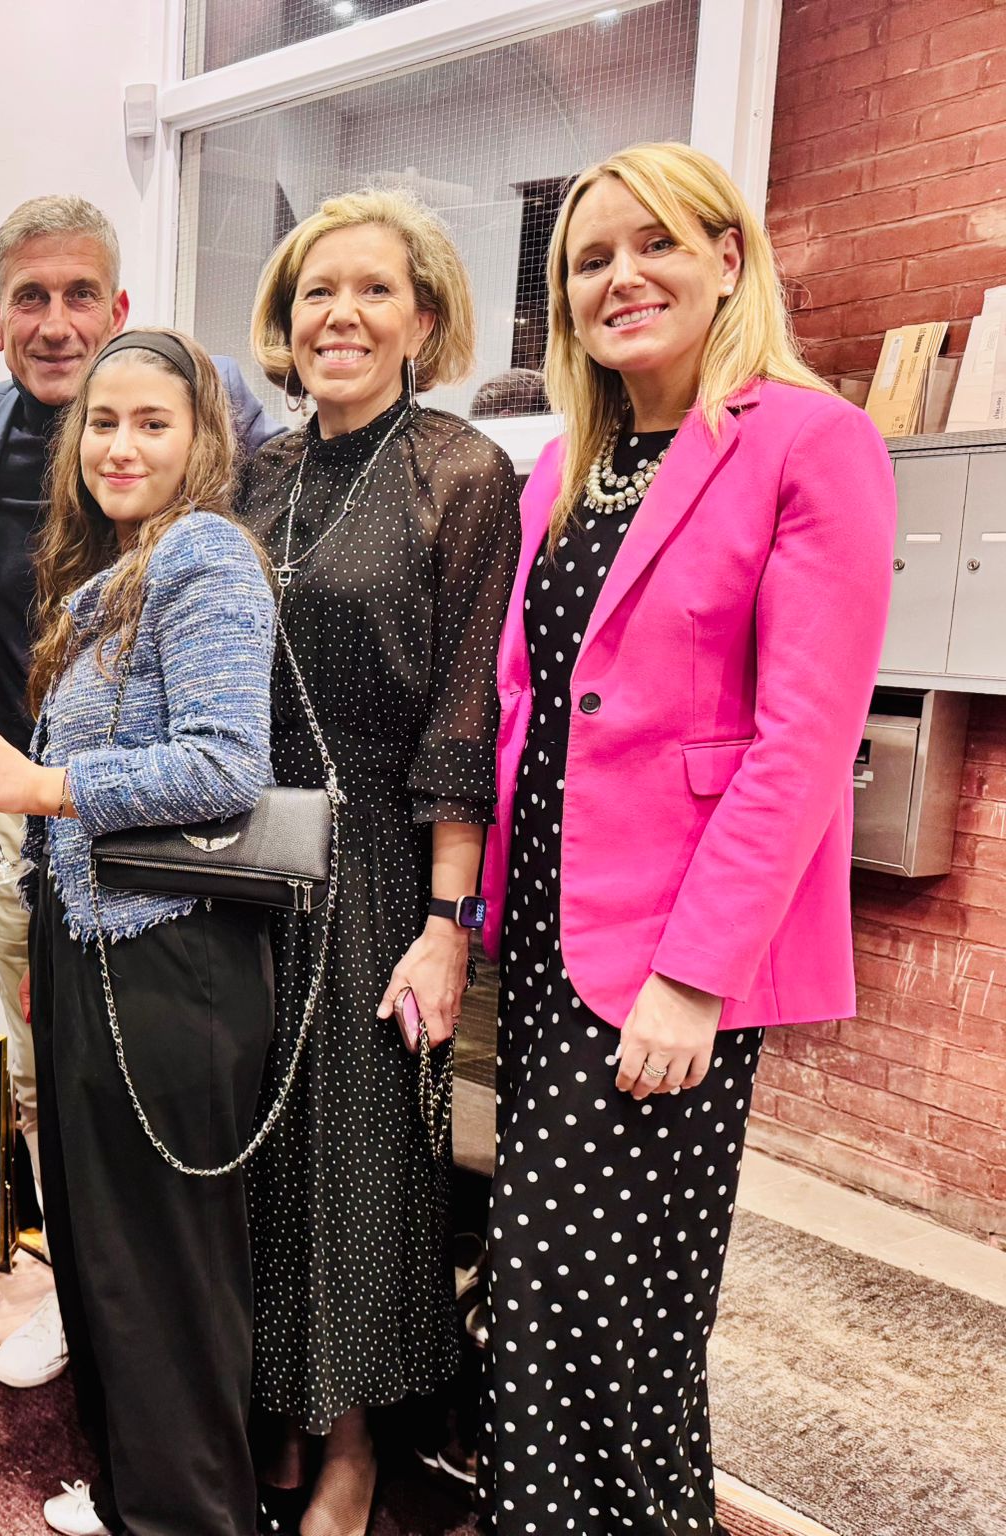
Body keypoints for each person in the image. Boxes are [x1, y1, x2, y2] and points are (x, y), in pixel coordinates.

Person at [477, 141, 893, 1536]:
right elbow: (541, 707)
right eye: (591, 259)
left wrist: (697, 972)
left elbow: (804, 741)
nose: (622, 277)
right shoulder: (569, 474)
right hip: (544, 925)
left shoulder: (808, 440)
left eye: (655, 244)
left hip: (663, 950)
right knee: (607, 1305)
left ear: (729, 258)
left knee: (579, 1302)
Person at [0, 194, 278, 1392]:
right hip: (16, 819)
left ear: (121, 311)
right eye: (31, 297)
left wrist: (52, 782)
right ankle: (76, 1282)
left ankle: (126, 1323)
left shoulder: (194, 487)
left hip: (137, 829)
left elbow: (225, 722)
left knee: (136, 1097)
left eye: (81, 297)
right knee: (43, 1071)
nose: (56, 322)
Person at [237, 188, 520, 1536]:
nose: (339, 314)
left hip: (374, 874)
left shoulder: (461, 475)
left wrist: (449, 920)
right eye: (314, 293)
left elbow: (468, 711)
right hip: (240, 854)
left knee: (353, 1164)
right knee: (250, 1152)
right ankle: (272, 1411)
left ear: (423, 316)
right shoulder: (256, 475)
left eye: (371, 290)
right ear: (285, 325)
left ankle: (350, 1442)